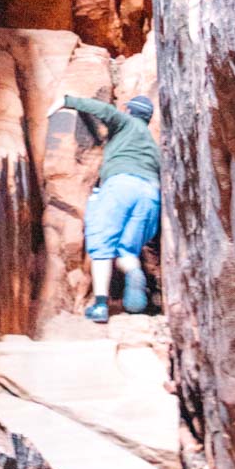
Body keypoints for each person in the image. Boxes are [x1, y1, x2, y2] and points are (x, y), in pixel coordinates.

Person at [62, 92, 160, 323]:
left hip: (121, 187)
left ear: (129, 111)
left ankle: (100, 305)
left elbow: (103, 111)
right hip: (150, 194)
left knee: (102, 246)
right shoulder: (153, 147)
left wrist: (69, 100)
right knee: (127, 250)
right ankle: (134, 274)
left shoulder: (126, 123)